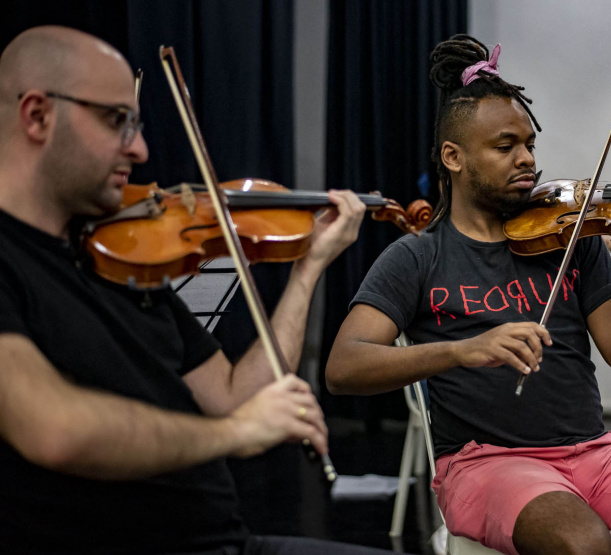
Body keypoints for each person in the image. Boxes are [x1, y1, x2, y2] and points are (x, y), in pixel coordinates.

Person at [327, 35, 611, 555]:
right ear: (453, 157)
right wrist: (460, 350)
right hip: (486, 463)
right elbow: (343, 368)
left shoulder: (574, 238)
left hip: (596, 453)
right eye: (505, 147)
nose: (526, 159)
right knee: (584, 546)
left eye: (530, 144)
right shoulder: (417, 257)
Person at [0, 26, 393, 554]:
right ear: (38, 115)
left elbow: (235, 394)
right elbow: (53, 428)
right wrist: (235, 433)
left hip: (222, 541)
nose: (138, 149)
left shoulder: (117, 257)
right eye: (117, 121)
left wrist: (309, 268)